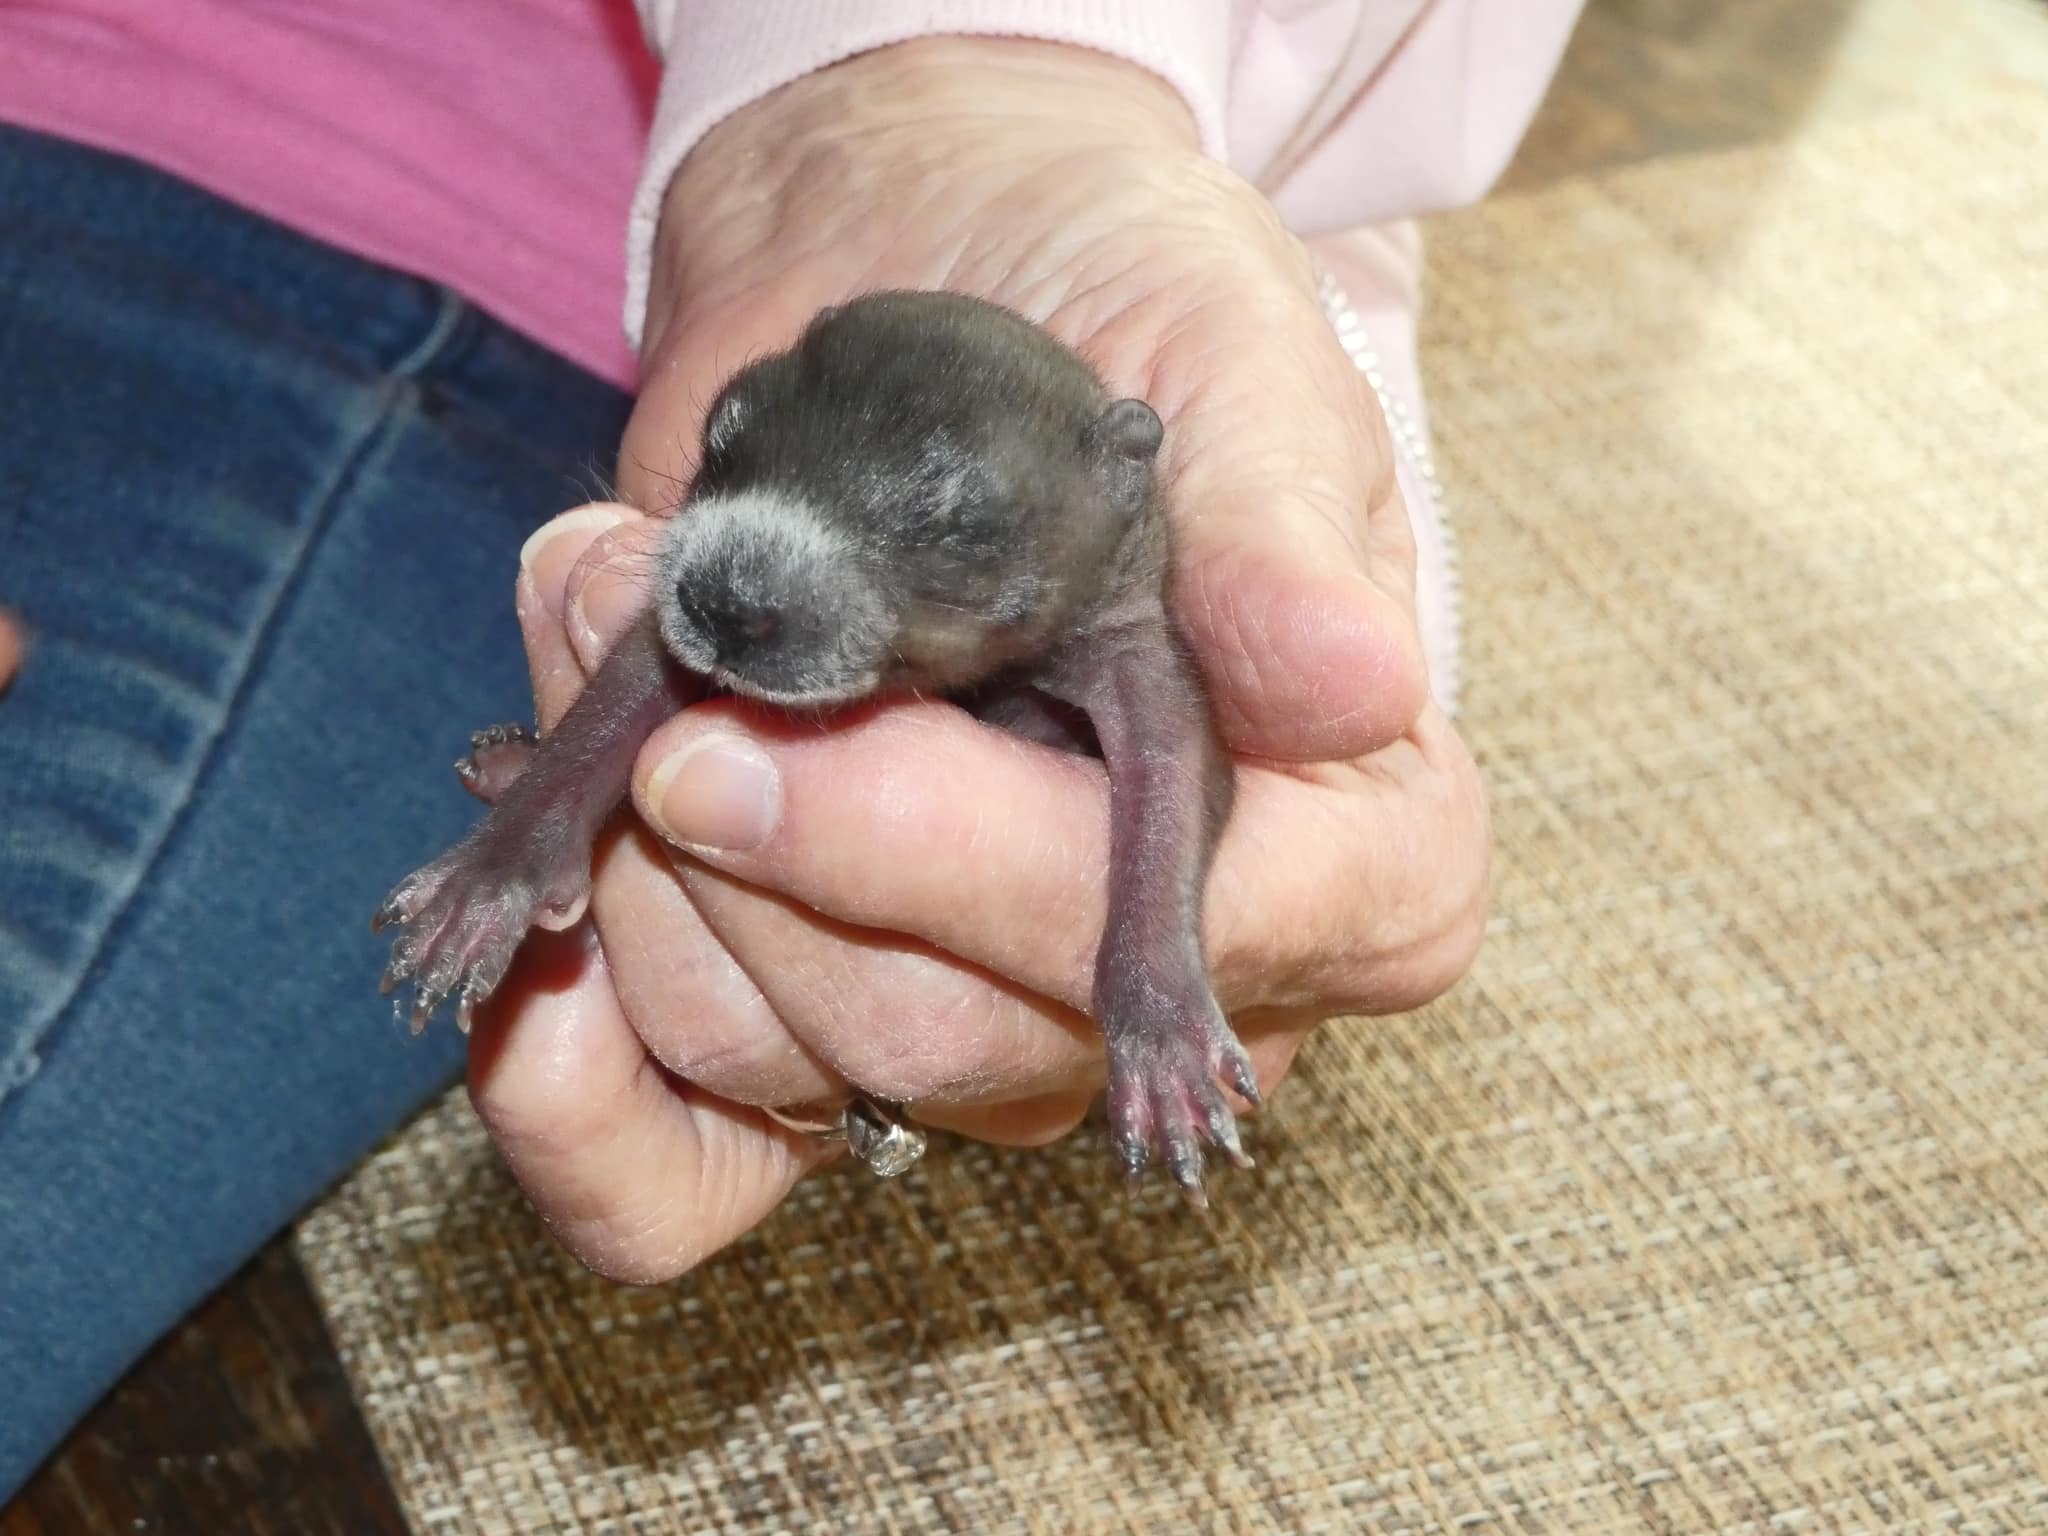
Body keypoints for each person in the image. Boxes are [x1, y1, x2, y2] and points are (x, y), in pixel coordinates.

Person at [0, 0, 1581, 1497]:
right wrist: (532, 834)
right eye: (746, 451)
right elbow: (663, 656)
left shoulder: (1107, 576)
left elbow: (1169, 769)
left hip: (450, 252)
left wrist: (951, 85)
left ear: (1106, 511)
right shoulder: (783, 537)